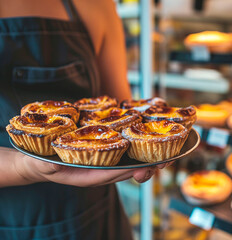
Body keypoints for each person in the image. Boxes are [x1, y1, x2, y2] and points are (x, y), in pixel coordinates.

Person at [0, 0, 161, 239]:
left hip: (97, 213)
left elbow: (121, 112)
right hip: (13, 221)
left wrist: (152, 133)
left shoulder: (98, 5)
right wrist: (22, 167)